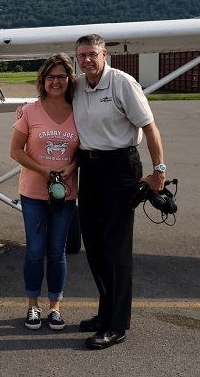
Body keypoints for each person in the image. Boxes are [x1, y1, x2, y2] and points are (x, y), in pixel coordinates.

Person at [72, 34, 166, 350]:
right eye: (81, 55)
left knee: (117, 247)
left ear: (104, 55)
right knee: (94, 243)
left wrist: (159, 171)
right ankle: (104, 313)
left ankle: (116, 325)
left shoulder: (122, 83)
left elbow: (150, 127)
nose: (86, 60)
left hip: (120, 167)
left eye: (92, 54)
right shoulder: (79, 85)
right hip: (90, 167)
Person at [9, 53, 80, 331]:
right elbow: (15, 151)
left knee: (57, 251)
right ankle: (32, 305)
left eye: (62, 76)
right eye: (51, 76)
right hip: (34, 193)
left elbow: (84, 152)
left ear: (69, 80)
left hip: (66, 194)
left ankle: (55, 306)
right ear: (43, 80)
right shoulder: (29, 111)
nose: (56, 81)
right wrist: (43, 171)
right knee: (35, 250)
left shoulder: (79, 112)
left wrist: (71, 167)